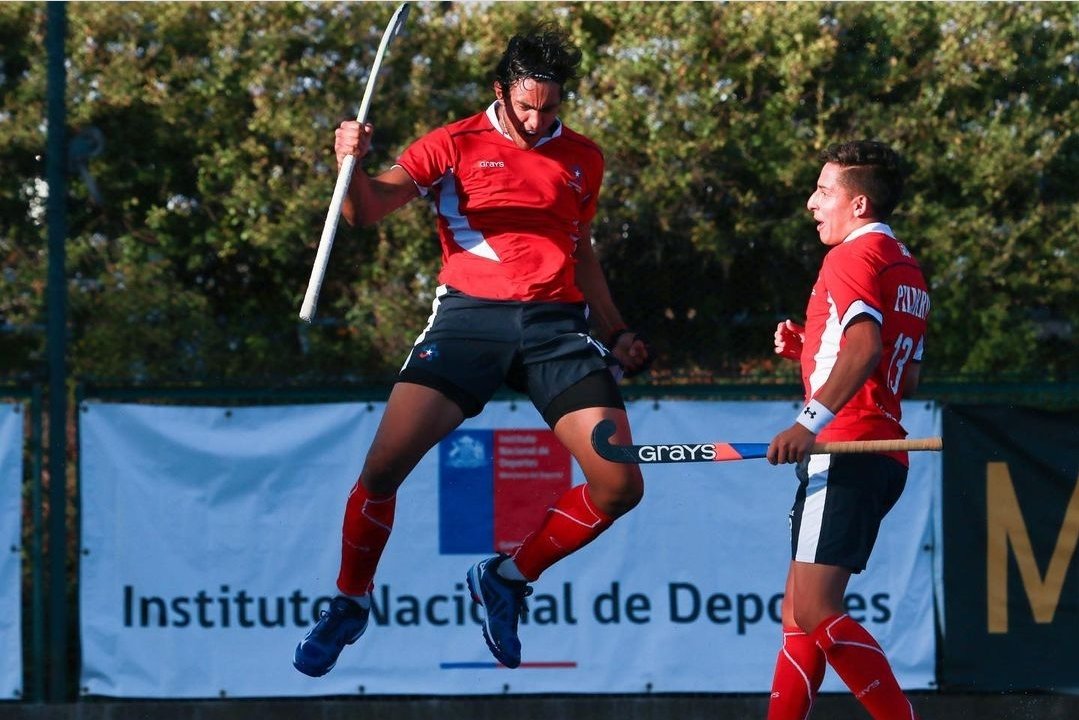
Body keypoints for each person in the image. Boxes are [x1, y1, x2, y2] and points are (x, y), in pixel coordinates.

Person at [293, 26, 651, 677]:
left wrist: (617, 329)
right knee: (382, 471)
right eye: (525, 107)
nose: (537, 119)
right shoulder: (451, 144)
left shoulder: (582, 157)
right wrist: (348, 165)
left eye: (549, 107)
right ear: (500, 92)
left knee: (618, 482)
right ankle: (348, 602)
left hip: (556, 330)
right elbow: (367, 211)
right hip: (467, 323)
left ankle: (507, 580)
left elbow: (582, 250)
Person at [765, 141, 929, 720]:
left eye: (823, 191)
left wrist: (809, 421)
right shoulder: (905, 266)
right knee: (798, 613)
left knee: (812, 608)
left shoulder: (850, 257)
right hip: (878, 452)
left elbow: (865, 346)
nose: (812, 203)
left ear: (858, 204)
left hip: (846, 447)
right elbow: (901, 378)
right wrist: (809, 351)